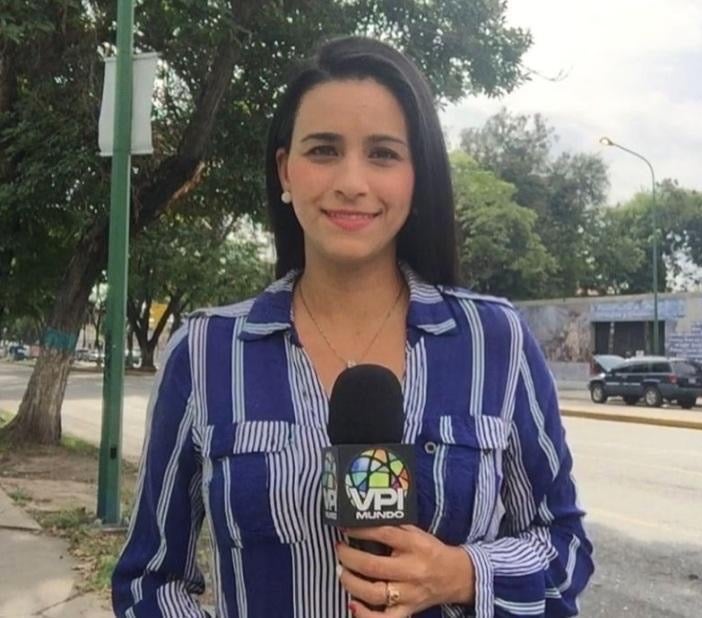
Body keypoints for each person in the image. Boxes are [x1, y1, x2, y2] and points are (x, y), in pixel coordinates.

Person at [112, 36, 593, 618]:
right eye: (323, 150)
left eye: (384, 154)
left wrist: (458, 574)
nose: (352, 181)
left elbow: (563, 550)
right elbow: (149, 582)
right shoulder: (208, 353)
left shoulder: (496, 341)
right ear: (286, 171)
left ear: (418, 177)